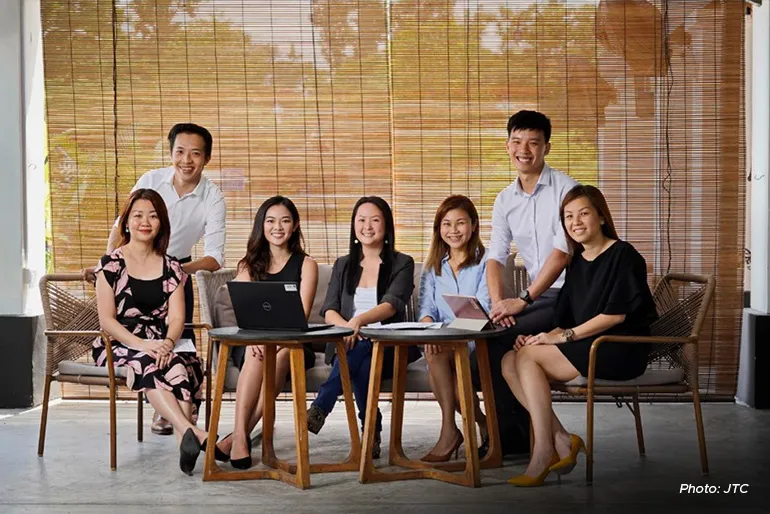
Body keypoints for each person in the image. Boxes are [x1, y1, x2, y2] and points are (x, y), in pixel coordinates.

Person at [502, 185, 658, 487]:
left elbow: (615, 316)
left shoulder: (624, 255)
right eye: (568, 216)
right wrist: (538, 337)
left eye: (583, 213)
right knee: (510, 359)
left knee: (527, 358)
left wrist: (563, 337)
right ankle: (562, 438)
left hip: (619, 347)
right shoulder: (578, 261)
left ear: (601, 217)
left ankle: (544, 450)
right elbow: (566, 321)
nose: (575, 222)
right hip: (588, 344)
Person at [84, 123, 226, 435]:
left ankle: (180, 421)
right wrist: (110, 265)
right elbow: (122, 224)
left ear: (207, 158)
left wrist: (170, 272)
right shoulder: (151, 180)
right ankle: (181, 425)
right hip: (130, 270)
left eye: (195, 154)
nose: (186, 160)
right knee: (150, 351)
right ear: (171, 152)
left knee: (181, 351)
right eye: (180, 151)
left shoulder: (212, 197)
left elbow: (215, 257)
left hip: (177, 270)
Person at [479, 110, 578, 455]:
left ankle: (514, 437)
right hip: (538, 298)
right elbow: (495, 257)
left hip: (569, 296)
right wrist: (498, 305)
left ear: (546, 147)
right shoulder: (505, 199)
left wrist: (522, 300)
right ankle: (523, 434)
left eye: (533, 143)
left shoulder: (566, 189)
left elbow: (562, 254)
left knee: (496, 341)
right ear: (508, 146)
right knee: (494, 332)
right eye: (517, 142)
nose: (524, 150)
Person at [94, 189, 208, 476]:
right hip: (118, 342)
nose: (145, 222)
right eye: (138, 215)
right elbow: (107, 321)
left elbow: (178, 318)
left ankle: (186, 442)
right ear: (126, 222)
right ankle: (191, 431)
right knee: (148, 363)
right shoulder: (110, 265)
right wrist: (143, 344)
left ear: (162, 223)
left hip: (161, 341)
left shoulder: (172, 267)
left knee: (180, 365)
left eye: (153, 216)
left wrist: (167, 343)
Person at [306, 196, 420, 459]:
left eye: (375, 220)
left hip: (389, 346)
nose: (367, 226)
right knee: (361, 358)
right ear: (354, 225)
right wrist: (349, 329)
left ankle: (322, 404)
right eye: (361, 220)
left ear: (386, 225)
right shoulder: (343, 264)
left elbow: (392, 305)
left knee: (363, 348)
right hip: (348, 343)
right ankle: (371, 430)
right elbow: (329, 310)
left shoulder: (403, 262)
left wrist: (359, 322)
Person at [212, 196, 318, 469]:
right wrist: (254, 340)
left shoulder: (306, 264)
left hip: (292, 343)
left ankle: (238, 437)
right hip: (254, 343)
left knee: (279, 356)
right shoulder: (248, 265)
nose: (277, 227)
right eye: (270, 221)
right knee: (256, 353)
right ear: (262, 225)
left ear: (295, 225)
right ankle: (240, 436)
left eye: (285, 221)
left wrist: (275, 343)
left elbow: (301, 315)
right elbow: (243, 310)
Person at [418, 195, 491, 462]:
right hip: (442, 341)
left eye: (460, 223)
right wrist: (432, 329)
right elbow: (425, 310)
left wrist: (446, 334)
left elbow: (484, 308)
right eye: (446, 224)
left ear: (473, 224)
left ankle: (457, 430)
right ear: (439, 228)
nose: (453, 230)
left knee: (439, 354)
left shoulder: (486, 262)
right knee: (435, 352)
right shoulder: (433, 267)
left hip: (477, 341)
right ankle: (458, 427)